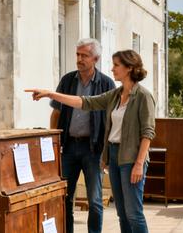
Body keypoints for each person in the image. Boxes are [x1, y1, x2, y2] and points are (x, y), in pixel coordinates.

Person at [27, 50, 155, 233]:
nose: (112, 69)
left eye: (116, 65)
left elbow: (148, 133)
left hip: (132, 160)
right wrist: (50, 94)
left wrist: (139, 164)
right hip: (114, 156)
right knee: (122, 213)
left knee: (134, 213)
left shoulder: (143, 96)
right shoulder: (116, 95)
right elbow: (84, 102)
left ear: (129, 68)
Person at [51, 38, 115, 233]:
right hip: (68, 147)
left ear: (95, 58)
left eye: (84, 55)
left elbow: (112, 119)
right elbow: (56, 113)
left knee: (95, 201)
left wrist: (106, 152)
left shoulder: (106, 83)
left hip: (93, 149)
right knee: (65, 198)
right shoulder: (67, 80)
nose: (79, 59)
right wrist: (55, 143)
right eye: (78, 55)